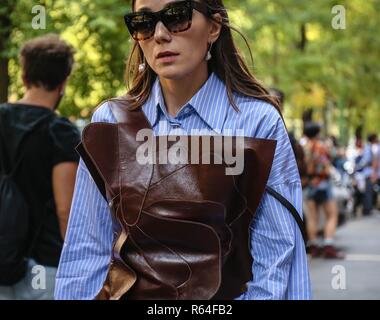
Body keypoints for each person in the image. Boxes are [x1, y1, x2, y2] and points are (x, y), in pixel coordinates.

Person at [55, 0, 311, 300]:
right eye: (144, 22)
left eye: (177, 17)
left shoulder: (258, 123)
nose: (160, 34)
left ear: (214, 27)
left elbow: (279, 262)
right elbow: (86, 251)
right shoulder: (109, 123)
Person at [0, 34, 80, 299]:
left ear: (24, 77)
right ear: (63, 82)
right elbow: (65, 209)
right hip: (43, 266)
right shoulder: (61, 131)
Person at [303, 122, 343, 259]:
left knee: (312, 217)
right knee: (332, 215)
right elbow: (327, 163)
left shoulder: (304, 146)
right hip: (322, 183)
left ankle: (313, 247)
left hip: (309, 184)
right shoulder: (320, 146)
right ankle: (328, 246)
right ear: (317, 132)